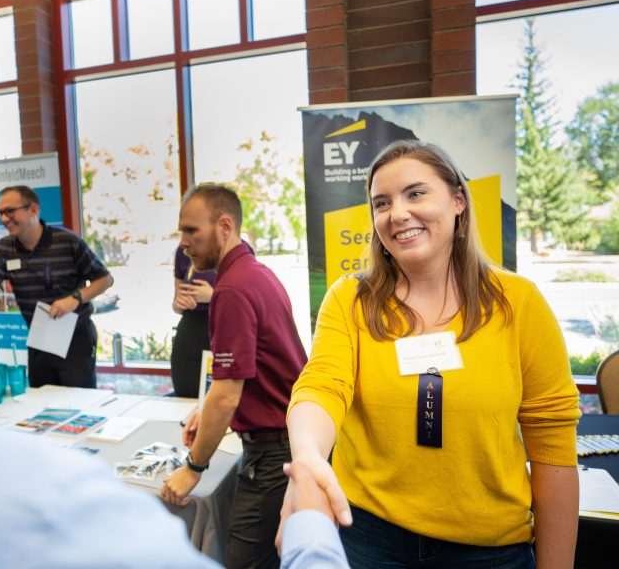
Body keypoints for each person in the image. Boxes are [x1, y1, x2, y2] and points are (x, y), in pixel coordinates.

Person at [0, 0, 346, 566]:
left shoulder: (201, 277)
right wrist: (309, 526)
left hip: (98, 357)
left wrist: (78, 302)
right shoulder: (35, 511)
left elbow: (196, 360)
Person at [282, 140, 581, 568]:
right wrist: (308, 456)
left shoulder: (519, 303)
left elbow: (552, 443)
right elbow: (323, 386)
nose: (397, 213)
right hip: (368, 537)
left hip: (487, 551)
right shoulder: (350, 299)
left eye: (416, 193)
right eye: (381, 203)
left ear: (458, 200)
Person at [161, 184, 308, 569]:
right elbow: (248, 374)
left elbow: (227, 394)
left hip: (274, 453)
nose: (184, 243)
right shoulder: (256, 273)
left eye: (191, 231)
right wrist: (207, 413)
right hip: (287, 441)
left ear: (224, 225)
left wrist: (192, 469)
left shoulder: (232, 290)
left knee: (245, 562)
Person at [0, 185, 113, 388]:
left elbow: (105, 279)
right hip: (39, 338)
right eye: (0, 213)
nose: (4, 219)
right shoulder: (4, 248)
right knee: (40, 404)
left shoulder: (67, 241)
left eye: (10, 211)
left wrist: (74, 299)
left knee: (77, 403)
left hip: (75, 337)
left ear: (33, 209)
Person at [170, 245, 215, 397]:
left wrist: (214, 296)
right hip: (189, 333)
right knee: (184, 398)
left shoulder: (239, 249)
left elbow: (249, 305)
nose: (185, 239)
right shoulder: (184, 250)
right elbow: (176, 304)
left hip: (222, 329)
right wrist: (179, 303)